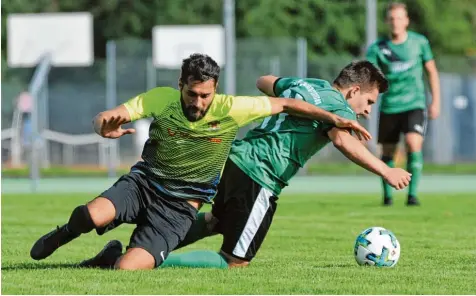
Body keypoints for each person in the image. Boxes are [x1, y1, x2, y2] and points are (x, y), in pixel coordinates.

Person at [30, 53, 370, 270]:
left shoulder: (231, 108)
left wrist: (334, 118)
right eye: (191, 93)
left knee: (126, 270)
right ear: (180, 85)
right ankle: (63, 234)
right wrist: (103, 124)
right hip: (144, 183)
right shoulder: (162, 99)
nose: (198, 101)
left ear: (216, 89)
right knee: (91, 213)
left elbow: (285, 104)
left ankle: (102, 261)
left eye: (205, 95)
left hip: (180, 208)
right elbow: (113, 114)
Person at [366, 2, 441, 206]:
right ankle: (388, 197)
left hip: (414, 104)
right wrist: (368, 104)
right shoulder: (377, 48)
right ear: (387, 21)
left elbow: (431, 72)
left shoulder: (419, 42)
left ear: (406, 21)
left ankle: (412, 195)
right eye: (392, 18)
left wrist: (436, 101)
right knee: (388, 152)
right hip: (390, 106)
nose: (395, 22)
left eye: (399, 18)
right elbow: (370, 78)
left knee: (412, 143)